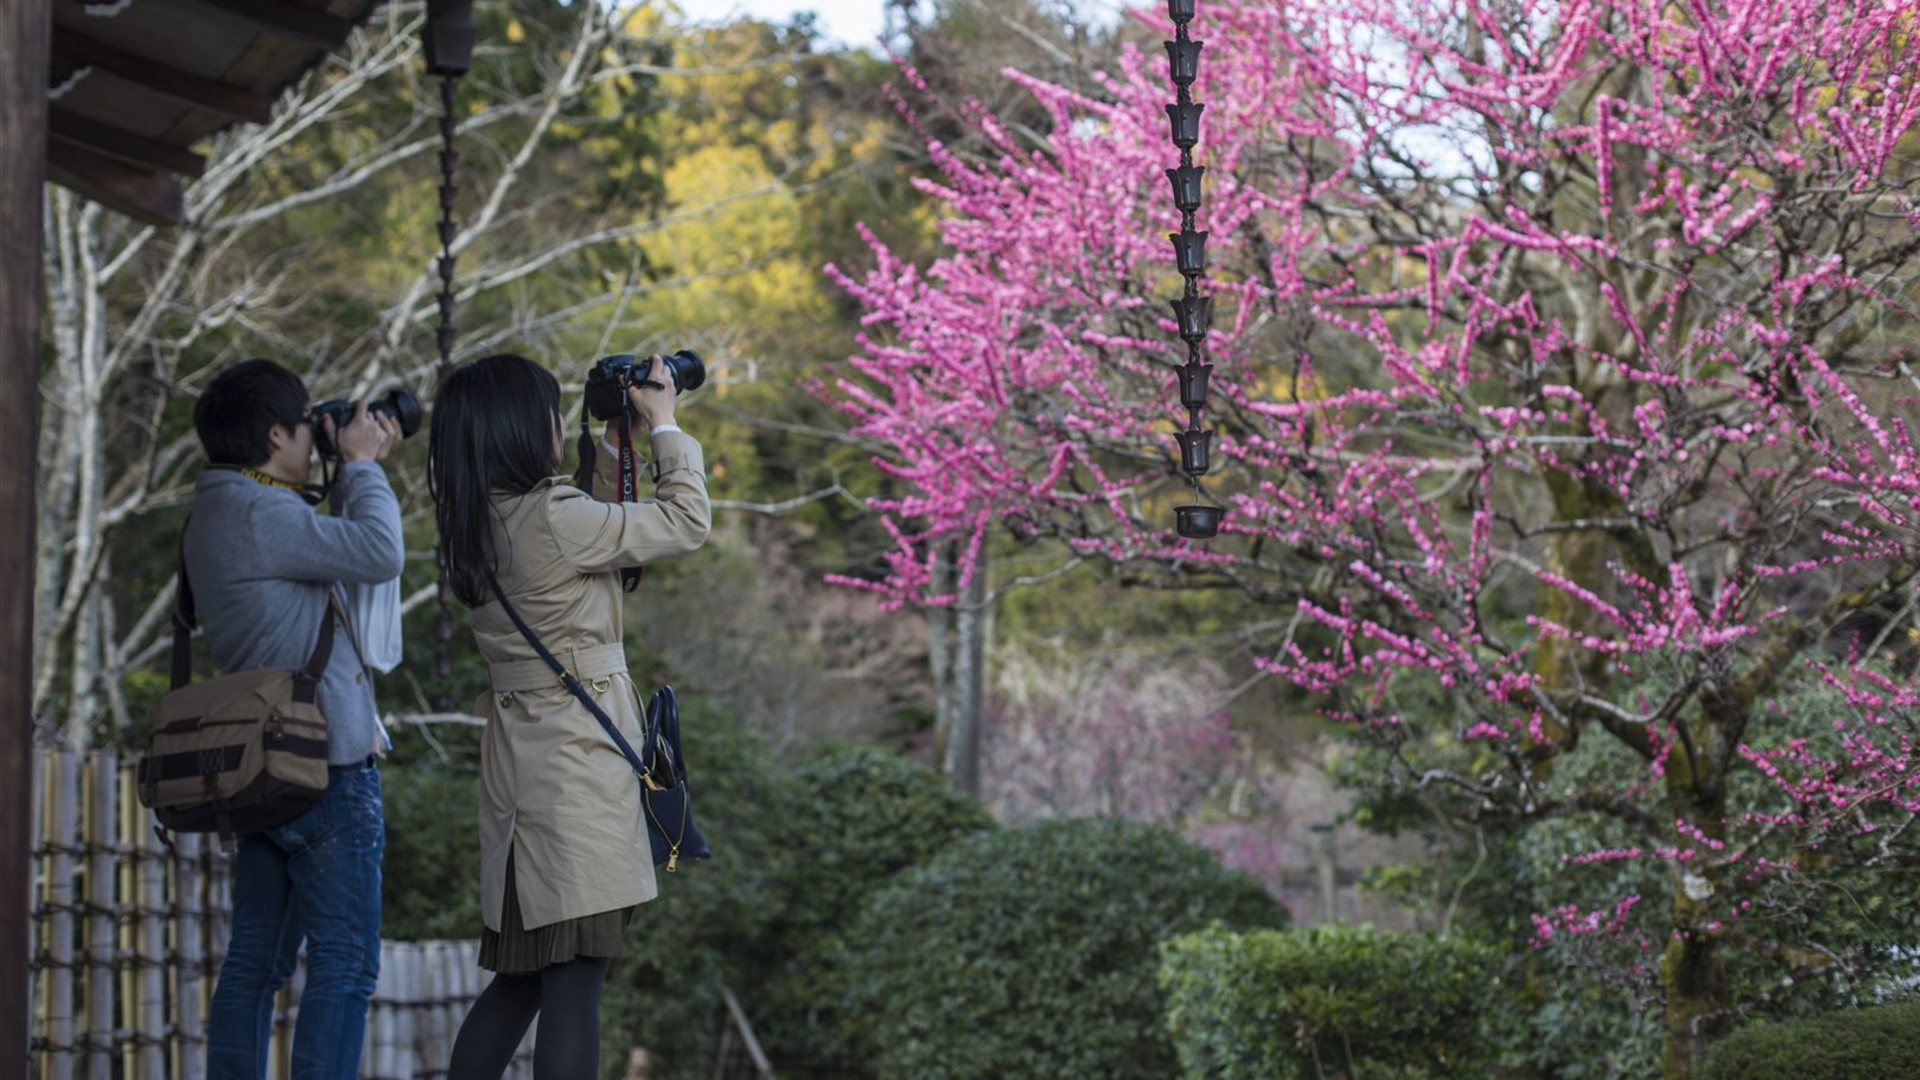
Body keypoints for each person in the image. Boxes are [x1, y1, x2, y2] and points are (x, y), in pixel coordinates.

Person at [432, 353, 711, 1080]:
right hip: (578, 771)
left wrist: (614, 439)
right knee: (577, 977)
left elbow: (595, 532)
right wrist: (664, 423)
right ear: (521, 430)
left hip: (521, 775)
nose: (558, 424)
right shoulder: (555, 518)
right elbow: (685, 521)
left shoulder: (477, 525)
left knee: (524, 979)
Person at [187, 359, 405, 1080]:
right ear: (276, 432)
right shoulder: (267, 514)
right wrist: (365, 466)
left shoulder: (216, 509)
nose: (313, 436)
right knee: (345, 961)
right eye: (305, 423)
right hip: (327, 765)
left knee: (253, 964)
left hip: (261, 767)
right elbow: (378, 551)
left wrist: (344, 467)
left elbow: (321, 557)